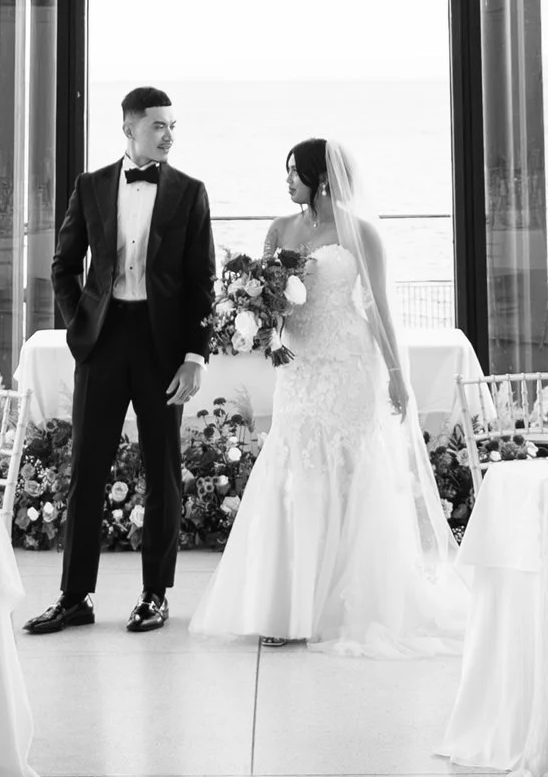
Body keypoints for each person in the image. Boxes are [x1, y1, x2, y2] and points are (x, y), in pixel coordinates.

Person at [194, 137, 469, 657]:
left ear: (321, 178)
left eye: (295, 171)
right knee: (295, 471)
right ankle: (286, 604)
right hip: (299, 370)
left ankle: (340, 605)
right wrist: (251, 314)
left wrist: (395, 375)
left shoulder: (360, 232)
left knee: (349, 472)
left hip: (349, 366)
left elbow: (379, 309)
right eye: (287, 172)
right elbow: (274, 303)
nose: (288, 180)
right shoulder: (280, 230)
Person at [27, 83, 216, 639]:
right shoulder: (90, 187)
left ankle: (154, 594)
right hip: (105, 343)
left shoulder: (190, 192)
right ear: (130, 128)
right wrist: (82, 321)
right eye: (159, 125)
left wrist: (195, 356)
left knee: (162, 471)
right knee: (87, 469)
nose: (169, 135)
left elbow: (203, 281)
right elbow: (63, 265)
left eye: (173, 126)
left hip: (163, 350)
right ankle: (74, 596)